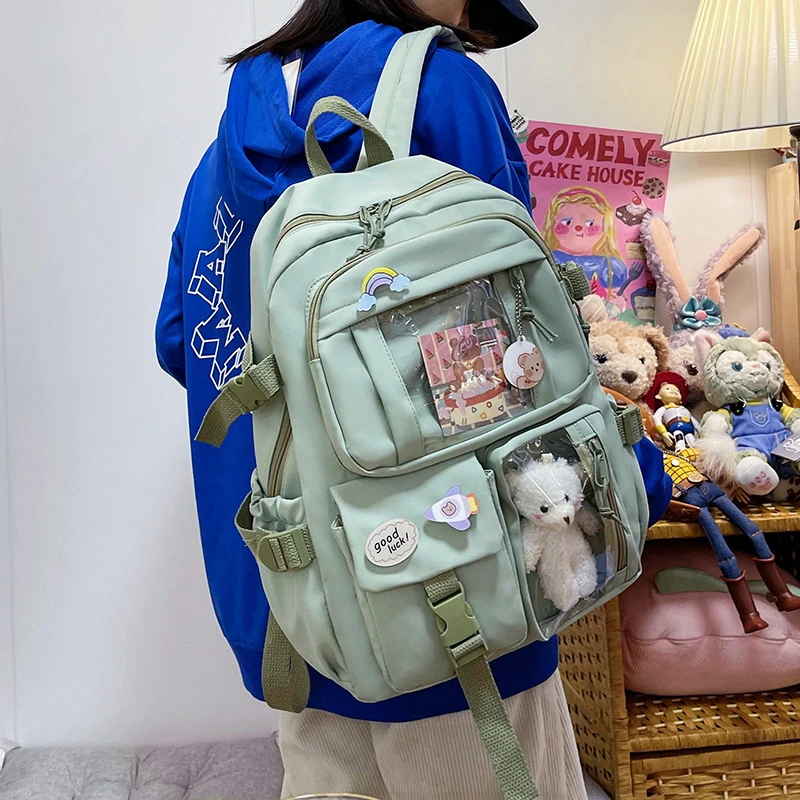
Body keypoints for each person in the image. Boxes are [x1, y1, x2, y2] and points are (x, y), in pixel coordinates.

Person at [156, 2, 672, 797]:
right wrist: (636, 473)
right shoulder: (442, 88)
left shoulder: (227, 148)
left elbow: (180, 343)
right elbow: (531, 334)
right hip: (459, 603)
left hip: (297, 611)